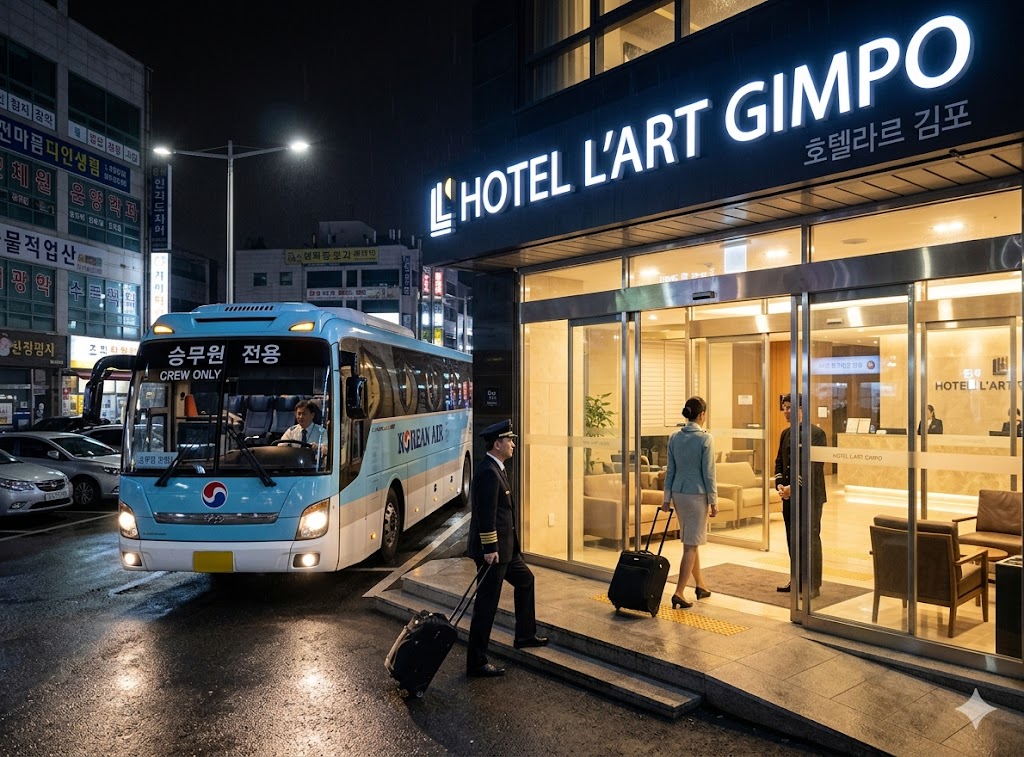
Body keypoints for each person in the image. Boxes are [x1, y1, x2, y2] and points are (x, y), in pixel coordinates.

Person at [466, 419, 547, 678]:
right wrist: (489, 548)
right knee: (486, 606)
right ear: (497, 443)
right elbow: (485, 514)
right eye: (509, 440)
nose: (513, 444)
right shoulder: (488, 472)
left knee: (526, 581)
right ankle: (476, 662)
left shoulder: (497, 468)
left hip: (507, 551)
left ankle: (524, 635)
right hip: (494, 553)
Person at [660, 396, 717, 610]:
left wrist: (666, 499)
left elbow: (671, 470)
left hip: (678, 494)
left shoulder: (675, 437)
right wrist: (713, 501)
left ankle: (701, 585)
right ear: (702, 415)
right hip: (696, 495)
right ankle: (679, 592)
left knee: (691, 540)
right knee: (691, 545)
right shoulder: (705, 439)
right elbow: (709, 473)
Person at [774, 394, 827, 597]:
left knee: (810, 538)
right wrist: (781, 485)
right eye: (785, 407)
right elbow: (779, 462)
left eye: (790, 407)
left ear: (802, 409)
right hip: (789, 496)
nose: (786, 411)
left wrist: (793, 488)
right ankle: (796, 579)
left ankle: (812, 584)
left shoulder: (816, 434)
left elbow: (813, 467)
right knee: (792, 538)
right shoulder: (786, 433)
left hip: (810, 496)